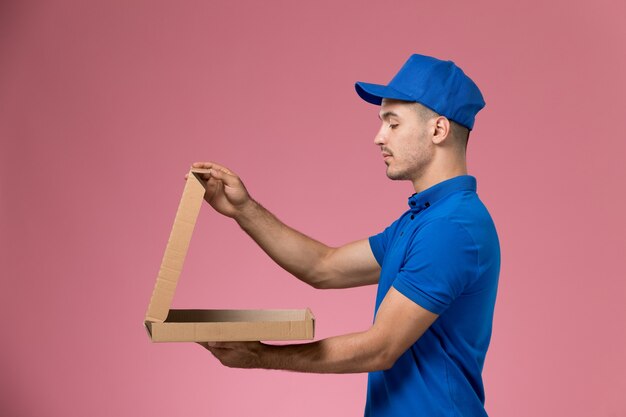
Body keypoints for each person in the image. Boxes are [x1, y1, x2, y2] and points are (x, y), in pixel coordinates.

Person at [192, 54, 501, 417]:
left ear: (438, 130)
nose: (378, 137)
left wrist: (261, 355)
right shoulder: (422, 220)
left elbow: (380, 348)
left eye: (393, 123)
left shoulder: (451, 228)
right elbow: (324, 266)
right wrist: (243, 209)